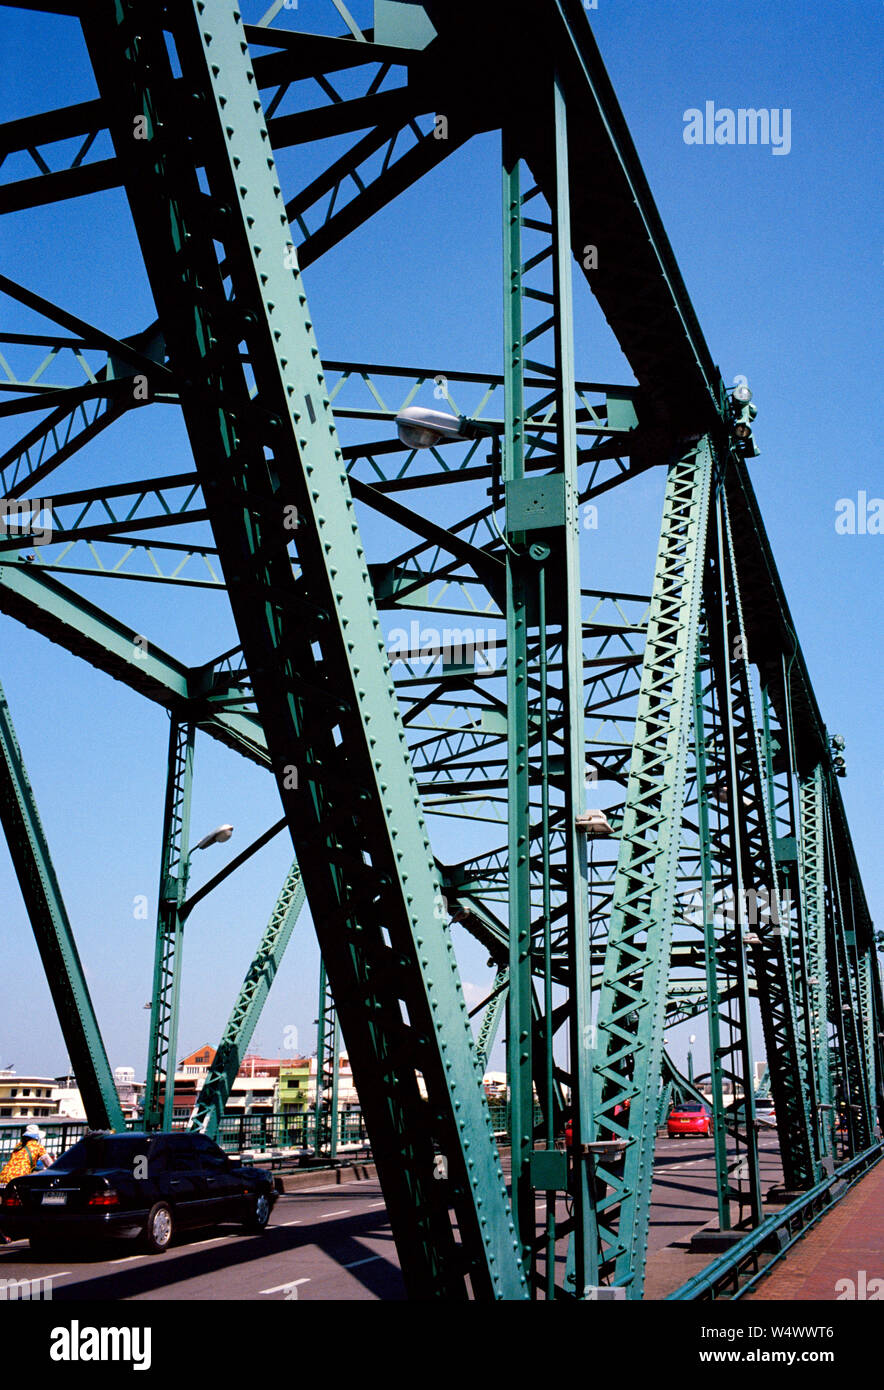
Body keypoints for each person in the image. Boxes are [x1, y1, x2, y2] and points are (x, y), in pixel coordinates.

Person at [0, 1125, 53, 1241]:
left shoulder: (18, 1146)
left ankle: (3, 1233)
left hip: (3, 1176)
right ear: (36, 1137)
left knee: (3, 1206)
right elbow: (50, 1165)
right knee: (20, 1206)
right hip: (16, 1180)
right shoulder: (38, 1147)